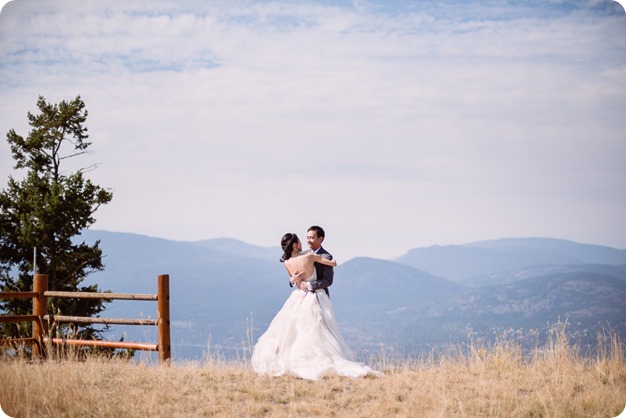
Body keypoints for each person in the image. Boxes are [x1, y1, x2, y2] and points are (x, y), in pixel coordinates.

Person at [251, 232, 381, 380]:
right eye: (304, 239)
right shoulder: (309, 256)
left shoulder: (289, 261)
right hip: (313, 297)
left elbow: (315, 281)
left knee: (296, 330)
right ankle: (312, 359)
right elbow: (330, 265)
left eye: (311, 238)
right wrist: (296, 280)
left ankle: (294, 358)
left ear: (320, 239)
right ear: (295, 244)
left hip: (299, 297)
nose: (306, 241)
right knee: (310, 330)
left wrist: (297, 281)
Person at [289, 225, 334, 297]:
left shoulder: (326, 256)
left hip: (319, 297)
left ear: (320, 239)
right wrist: (292, 280)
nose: (308, 241)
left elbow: (328, 281)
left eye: (311, 238)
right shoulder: (301, 255)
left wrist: (308, 285)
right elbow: (295, 275)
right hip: (301, 296)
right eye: (307, 238)